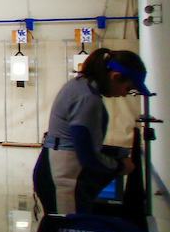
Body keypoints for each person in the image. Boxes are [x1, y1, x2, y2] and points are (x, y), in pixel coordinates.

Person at [33, 48, 145, 216]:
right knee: (69, 228)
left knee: (60, 227)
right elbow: (88, 156)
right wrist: (120, 166)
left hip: (55, 167)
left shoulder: (79, 85)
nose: (124, 94)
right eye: (128, 88)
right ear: (115, 76)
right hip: (64, 176)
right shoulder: (88, 98)